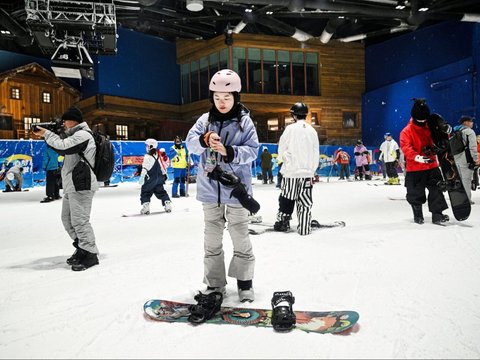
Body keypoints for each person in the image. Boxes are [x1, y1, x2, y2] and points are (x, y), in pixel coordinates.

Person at [185, 69, 259, 303]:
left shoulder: (245, 122)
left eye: (227, 97)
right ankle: (215, 284)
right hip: (209, 192)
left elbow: (253, 150)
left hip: (237, 192)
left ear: (236, 97)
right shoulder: (204, 121)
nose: (222, 102)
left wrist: (230, 152)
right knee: (212, 241)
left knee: (240, 237)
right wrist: (204, 140)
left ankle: (245, 283)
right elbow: (190, 145)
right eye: (217, 98)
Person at [32, 105, 100, 271]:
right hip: (73, 184)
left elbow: (64, 146)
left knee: (80, 221)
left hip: (82, 183)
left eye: (65, 120)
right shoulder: (74, 135)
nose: (63, 123)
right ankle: (82, 248)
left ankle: (90, 254)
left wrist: (47, 133)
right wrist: (49, 134)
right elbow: (60, 146)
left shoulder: (83, 134)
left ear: (73, 120)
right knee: (67, 220)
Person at [399, 98, 449, 225]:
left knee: (437, 190)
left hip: (432, 165)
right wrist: (418, 157)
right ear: (414, 117)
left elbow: (441, 139)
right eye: (419, 119)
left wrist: (446, 131)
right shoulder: (406, 131)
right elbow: (406, 148)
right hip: (415, 168)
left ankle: (437, 215)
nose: (422, 121)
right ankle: (418, 215)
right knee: (415, 193)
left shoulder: (431, 126)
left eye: (424, 119)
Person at [273, 102, 320, 235]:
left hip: (291, 172)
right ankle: (305, 228)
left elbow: (282, 147)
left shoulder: (290, 129)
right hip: (307, 174)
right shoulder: (312, 130)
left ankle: (283, 222)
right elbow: (316, 151)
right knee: (305, 202)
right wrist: (312, 170)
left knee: (286, 198)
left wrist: (282, 160)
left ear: (293, 115)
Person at [139, 139, 172, 214]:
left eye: (147, 146)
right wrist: (164, 174)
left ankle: (146, 207)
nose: (146, 147)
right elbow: (162, 166)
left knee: (145, 192)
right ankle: (167, 204)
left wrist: (142, 177)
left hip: (150, 178)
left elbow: (145, 168)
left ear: (150, 146)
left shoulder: (147, 156)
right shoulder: (158, 155)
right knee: (161, 192)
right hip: (159, 178)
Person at [452, 116, 478, 203]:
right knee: (466, 180)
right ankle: (466, 199)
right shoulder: (469, 132)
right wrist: (475, 159)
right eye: (471, 121)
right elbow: (473, 147)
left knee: (459, 179)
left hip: (457, 158)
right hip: (466, 159)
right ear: (465, 122)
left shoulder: (456, 131)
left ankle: (459, 198)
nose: (472, 123)